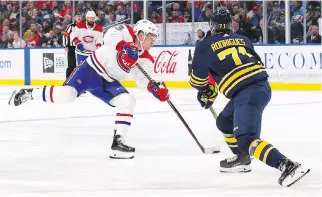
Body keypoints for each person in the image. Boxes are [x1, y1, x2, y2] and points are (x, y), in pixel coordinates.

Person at [8, 19, 169, 160]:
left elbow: (144, 78)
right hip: (91, 68)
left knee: (128, 101)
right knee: (66, 96)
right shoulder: (125, 31)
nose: (153, 42)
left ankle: (118, 142)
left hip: (108, 81)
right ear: (141, 35)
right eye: (151, 38)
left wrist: (155, 89)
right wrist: (125, 47)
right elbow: (110, 36)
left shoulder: (146, 57)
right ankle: (29, 93)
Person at [189, 8, 309, 187]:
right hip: (260, 87)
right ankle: (242, 158)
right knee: (224, 121)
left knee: (246, 139)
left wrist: (207, 92)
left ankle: (287, 165)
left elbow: (198, 80)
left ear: (211, 26)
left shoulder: (204, 44)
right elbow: (251, 63)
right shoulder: (243, 39)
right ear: (230, 24)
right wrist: (212, 89)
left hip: (246, 92)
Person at [63, 12, 82, 79]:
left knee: (81, 65)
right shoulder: (71, 26)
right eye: (77, 16)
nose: (79, 17)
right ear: (74, 18)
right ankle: (68, 80)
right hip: (72, 48)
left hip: (82, 48)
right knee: (71, 65)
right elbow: (65, 35)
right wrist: (65, 45)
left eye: (80, 16)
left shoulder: (84, 26)